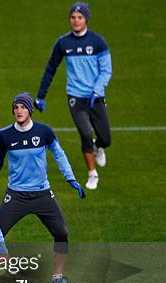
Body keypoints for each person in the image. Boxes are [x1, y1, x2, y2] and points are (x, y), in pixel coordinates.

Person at [0, 93, 85, 283]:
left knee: (62, 233)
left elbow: (59, 154)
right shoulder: (5, 136)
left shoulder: (44, 132)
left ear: (29, 109)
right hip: (16, 195)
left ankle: (57, 277)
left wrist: (70, 178)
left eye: (22, 107)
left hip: (42, 195)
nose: (18, 111)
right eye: (16, 107)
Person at [34, 2, 112, 190]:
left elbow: (106, 70)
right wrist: (41, 96)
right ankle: (92, 174)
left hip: (95, 97)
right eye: (73, 17)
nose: (76, 21)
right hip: (75, 97)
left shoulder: (97, 42)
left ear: (86, 19)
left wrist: (97, 90)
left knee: (106, 138)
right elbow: (50, 68)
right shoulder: (63, 43)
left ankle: (98, 146)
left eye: (80, 17)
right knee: (85, 134)